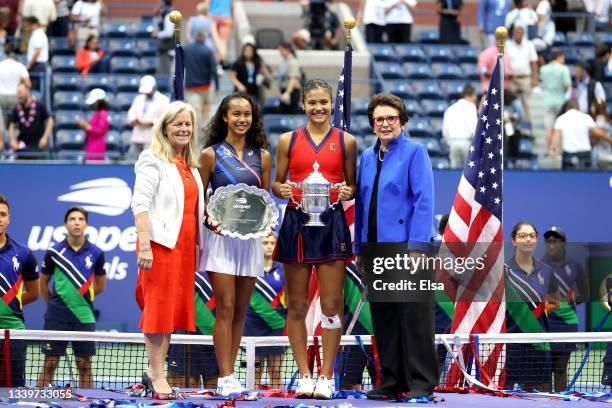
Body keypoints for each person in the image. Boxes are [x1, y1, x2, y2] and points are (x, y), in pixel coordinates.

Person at [273, 79, 357, 399]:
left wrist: (348, 191)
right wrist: (283, 190)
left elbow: (352, 185)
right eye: (313, 103)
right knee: (296, 306)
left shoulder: (346, 141)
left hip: (332, 223)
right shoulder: (286, 141)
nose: (319, 108)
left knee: (332, 305)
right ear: (303, 105)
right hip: (297, 223)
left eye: (324, 102)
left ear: (331, 104)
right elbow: (276, 184)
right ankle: (305, 376)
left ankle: (326, 376)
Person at [354, 93, 437, 400]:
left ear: (402, 121)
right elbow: (363, 204)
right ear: (372, 124)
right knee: (385, 318)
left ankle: (421, 381)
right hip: (376, 249)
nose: (385, 123)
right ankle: (392, 378)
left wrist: (417, 247)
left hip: (407, 247)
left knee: (414, 317)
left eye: (391, 118)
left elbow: (424, 200)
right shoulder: (366, 157)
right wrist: (359, 248)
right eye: (379, 119)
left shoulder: (416, 152)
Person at [198, 92, 272, 396]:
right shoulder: (210, 155)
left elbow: (264, 201)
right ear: (225, 118)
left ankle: (229, 377)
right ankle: (225, 375)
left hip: (250, 242)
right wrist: (207, 219)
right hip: (219, 241)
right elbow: (198, 199)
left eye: (247, 114)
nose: (242, 119)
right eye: (236, 114)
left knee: (240, 310)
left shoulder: (263, 156)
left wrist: (265, 226)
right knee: (225, 307)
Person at [131, 101, 205, 399]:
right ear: (164, 127)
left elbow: (191, 209)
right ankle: (156, 374)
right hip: (159, 248)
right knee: (158, 311)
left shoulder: (189, 164)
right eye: (178, 124)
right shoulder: (152, 158)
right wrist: (145, 245)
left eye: (188, 124)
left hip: (185, 249)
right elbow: (140, 204)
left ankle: (155, 372)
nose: (184, 129)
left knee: (170, 314)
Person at [37, 207, 106, 388]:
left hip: (84, 316)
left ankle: (88, 401)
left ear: (86, 224)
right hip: (56, 317)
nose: (77, 222)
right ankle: (38, 401)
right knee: (50, 362)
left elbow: (100, 286)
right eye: (73, 219)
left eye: (81, 219)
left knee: (84, 364)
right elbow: (43, 284)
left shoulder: (96, 253)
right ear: (65, 224)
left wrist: (81, 299)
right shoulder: (54, 252)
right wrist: (55, 304)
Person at [505, 222, 559, 392]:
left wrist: (535, 312)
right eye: (522, 236)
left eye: (532, 236)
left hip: (538, 342)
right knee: (499, 397)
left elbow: (554, 302)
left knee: (538, 398)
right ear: (513, 241)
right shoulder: (502, 270)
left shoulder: (547, 270)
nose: (528, 239)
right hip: (509, 342)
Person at [541, 227, 587, 392]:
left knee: (561, 367)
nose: (551, 244)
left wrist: (567, 303)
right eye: (549, 241)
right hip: (545, 322)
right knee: (545, 368)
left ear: (563, 243)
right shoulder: (538, 265)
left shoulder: (575, 266)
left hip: (567, 322)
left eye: (556, 241)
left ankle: (561, 402)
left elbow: (585, 294)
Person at [0, 194, 39, 387]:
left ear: (9, 218)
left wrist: (9, 303)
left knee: (14, 391)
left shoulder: (23, 253)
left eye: (2, 214)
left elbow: (34, 292)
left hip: (14, 332)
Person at [244, 233, 287, 390]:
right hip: (252, 329)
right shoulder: (248, 267)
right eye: (265, 242)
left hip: (277, 327)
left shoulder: (283, 268)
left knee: (276, 372)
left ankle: (280, 405)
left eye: (272, 242)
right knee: (254, 371)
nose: (269, 246)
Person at [167, 271, 219, 389]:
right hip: (185, 337)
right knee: (184, 391)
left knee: (215, 392)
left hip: (214, 338)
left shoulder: (223, 270)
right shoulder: (181, 266)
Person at [549, 98, 608, 169]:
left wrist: (552, 149)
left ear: (567, 108)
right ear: (578, 107)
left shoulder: (561, 118)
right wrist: (610, 140)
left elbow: (556, 136)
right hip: (585, 154)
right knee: (586, 179)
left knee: (568, 179)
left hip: (569, 155)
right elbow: (598, 133)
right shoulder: (586, 117)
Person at [127, 75, 170, 156]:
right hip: (137, 137)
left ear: (154, 88)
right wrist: (134, 120)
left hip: (152, 139)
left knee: (148, 164)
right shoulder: (138, 99)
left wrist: (151, 122)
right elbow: (130, 114)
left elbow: (167, 119)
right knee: (130, 161)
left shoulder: (164, 100)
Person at [184, 29, 219, 131]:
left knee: (195, 110)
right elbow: (214, 69)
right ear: (205, 37)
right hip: (205, 86)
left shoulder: (187, 49)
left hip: (190, 85)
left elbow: (181, 65)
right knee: (206, 106)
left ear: (195, 37)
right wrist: (217, 85)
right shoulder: (208, 51)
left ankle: (197, 130)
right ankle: (203, 127)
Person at [8, 83, 53, 159]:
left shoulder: (39, 105)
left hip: (38, 145)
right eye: (17, 93)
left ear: (27, 91)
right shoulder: (17, 108)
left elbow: (50, 120)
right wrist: (12, 140)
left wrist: (45, 138)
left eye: (20, 93)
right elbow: (12, 125)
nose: (18, 96)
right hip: (23, 145)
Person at [539, 50, 571, 152]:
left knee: (549, 128)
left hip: (547, 101)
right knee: (561, 128)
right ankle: (561, 151)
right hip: (560, 101)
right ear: (558, 57)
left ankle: (550, 152)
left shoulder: (543, 69)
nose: (564, 60)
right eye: (563, 58)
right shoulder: (564, 69)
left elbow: (542, 84)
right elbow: (567, 85)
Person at [442, 84, 478, 168]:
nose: (476, 98)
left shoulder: (450, 109)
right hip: (467, 142)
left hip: (453, 143)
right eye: (475, 95)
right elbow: (474, 128)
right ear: (470, 95)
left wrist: (449, 142)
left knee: (455, 173)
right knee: (468, 174)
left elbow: (445, 131)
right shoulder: (471, 106)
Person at [506, 25, 538, 121]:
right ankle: (512, 129)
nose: (518, 35)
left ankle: (528, 129)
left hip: (525, 78)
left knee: (527, 103)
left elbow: (534, 62)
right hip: (512, 78)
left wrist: (534, 78)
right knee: (511, 103)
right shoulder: (508, 45)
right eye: (516, 33)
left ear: (523, 34)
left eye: (520, 33)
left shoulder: (529, 45)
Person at [0, 44, 31, 127]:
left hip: (0, 97)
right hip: (15, 97)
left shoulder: (0, 65)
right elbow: (28, 84)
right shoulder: (20, 66)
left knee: (2, 124)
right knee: (15, 122)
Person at [77, 88, 109, 162]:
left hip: (97, 147)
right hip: (91, 145)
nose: (93, 104)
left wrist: (85, 126)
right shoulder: (98, 113)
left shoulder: (103, 114)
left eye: (95, 102)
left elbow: (99, 131)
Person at [23, 16, 49, 89]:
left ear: (33, 24)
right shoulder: (37, 34)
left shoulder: (38, 34)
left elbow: (37, 51)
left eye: (28, 25)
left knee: (35, 89)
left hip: (37, 65)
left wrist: (29, 65)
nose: (26, 27)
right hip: (36, 64)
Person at [278, 42, 302, 115]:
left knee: (292, 113)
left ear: (287, 50)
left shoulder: (293, 62)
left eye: (282, 50)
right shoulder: (283, 62)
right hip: (284, 90)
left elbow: (293, 79)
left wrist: (287, 93)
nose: (280, 52)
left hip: (292, 91)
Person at [590, 99, 612, 169]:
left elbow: (599, 136)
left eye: (593, 106)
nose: (591, 108)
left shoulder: (600, 119)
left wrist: (590, 143)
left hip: (600, 152)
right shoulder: (607, 118)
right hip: (607, 150)